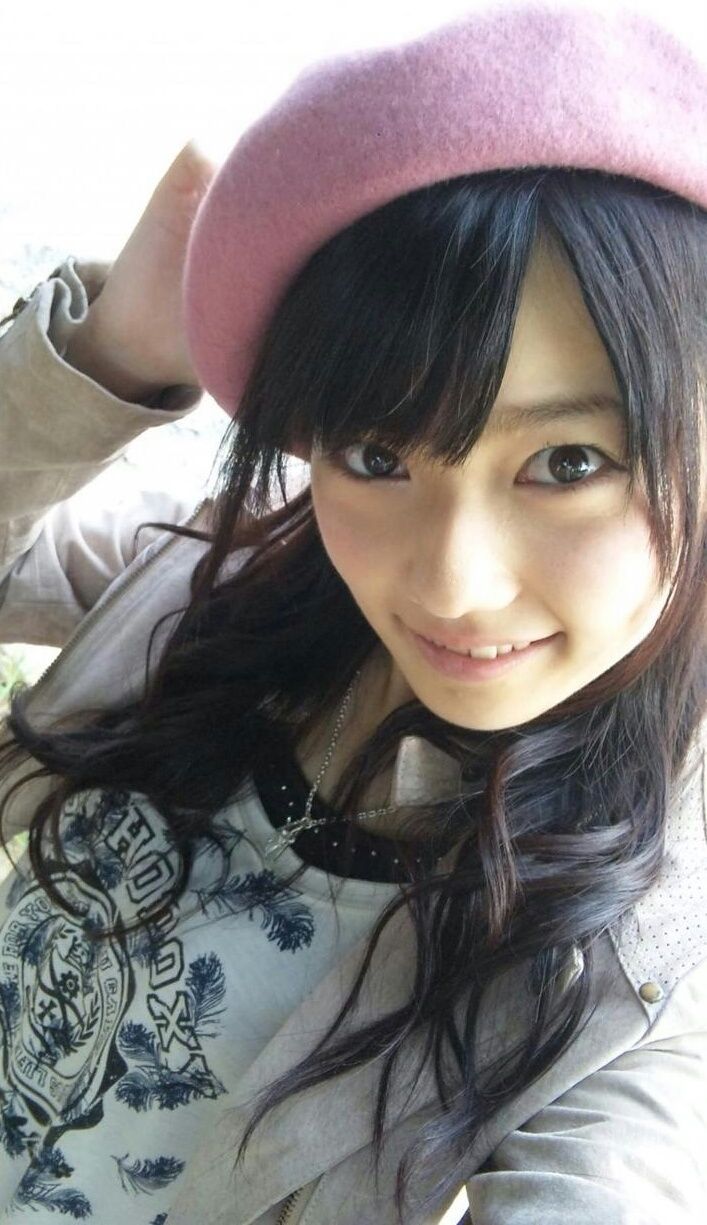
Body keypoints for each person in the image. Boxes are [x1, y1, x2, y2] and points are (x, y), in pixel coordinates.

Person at [0, 3, 705, 1222]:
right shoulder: (225, 579)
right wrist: (111, 356)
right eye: (377, 454)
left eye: (568, 462)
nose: (449, 586)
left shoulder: (636, 963)